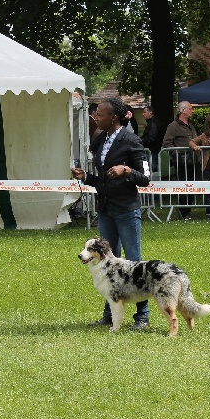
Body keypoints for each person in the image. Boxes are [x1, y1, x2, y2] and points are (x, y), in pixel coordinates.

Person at [71, 97, 151, 331]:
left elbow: (145, 178)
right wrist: (86, 177)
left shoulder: (131, 139)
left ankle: (142, 316)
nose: (96, 116)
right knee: (107, 262)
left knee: (134, 262)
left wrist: (126, 170)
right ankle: (109, 313)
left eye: (100, 114)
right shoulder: (101, 139)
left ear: (113, 117)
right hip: (105, 208)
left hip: (126, 209)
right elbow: (103, 179)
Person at [162, 101, 199, 220]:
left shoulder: (191, 125)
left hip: (193, 159)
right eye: (190, 108)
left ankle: (188, 210)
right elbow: (166, 143)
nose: (192, 111)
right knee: (183, 186)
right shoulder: (173, 126)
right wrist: (176, 154)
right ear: (183, 110)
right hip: (181, 161)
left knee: (192, 186)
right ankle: (184, 211)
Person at [140, 105, 164, 170]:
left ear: (150, 112)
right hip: (153, 150)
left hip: (152, 151)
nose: (143, 114)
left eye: (144, 112)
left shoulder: (153, 123)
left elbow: (151, 138)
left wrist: (140, 140)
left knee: (150, 170)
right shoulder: (153, 122)